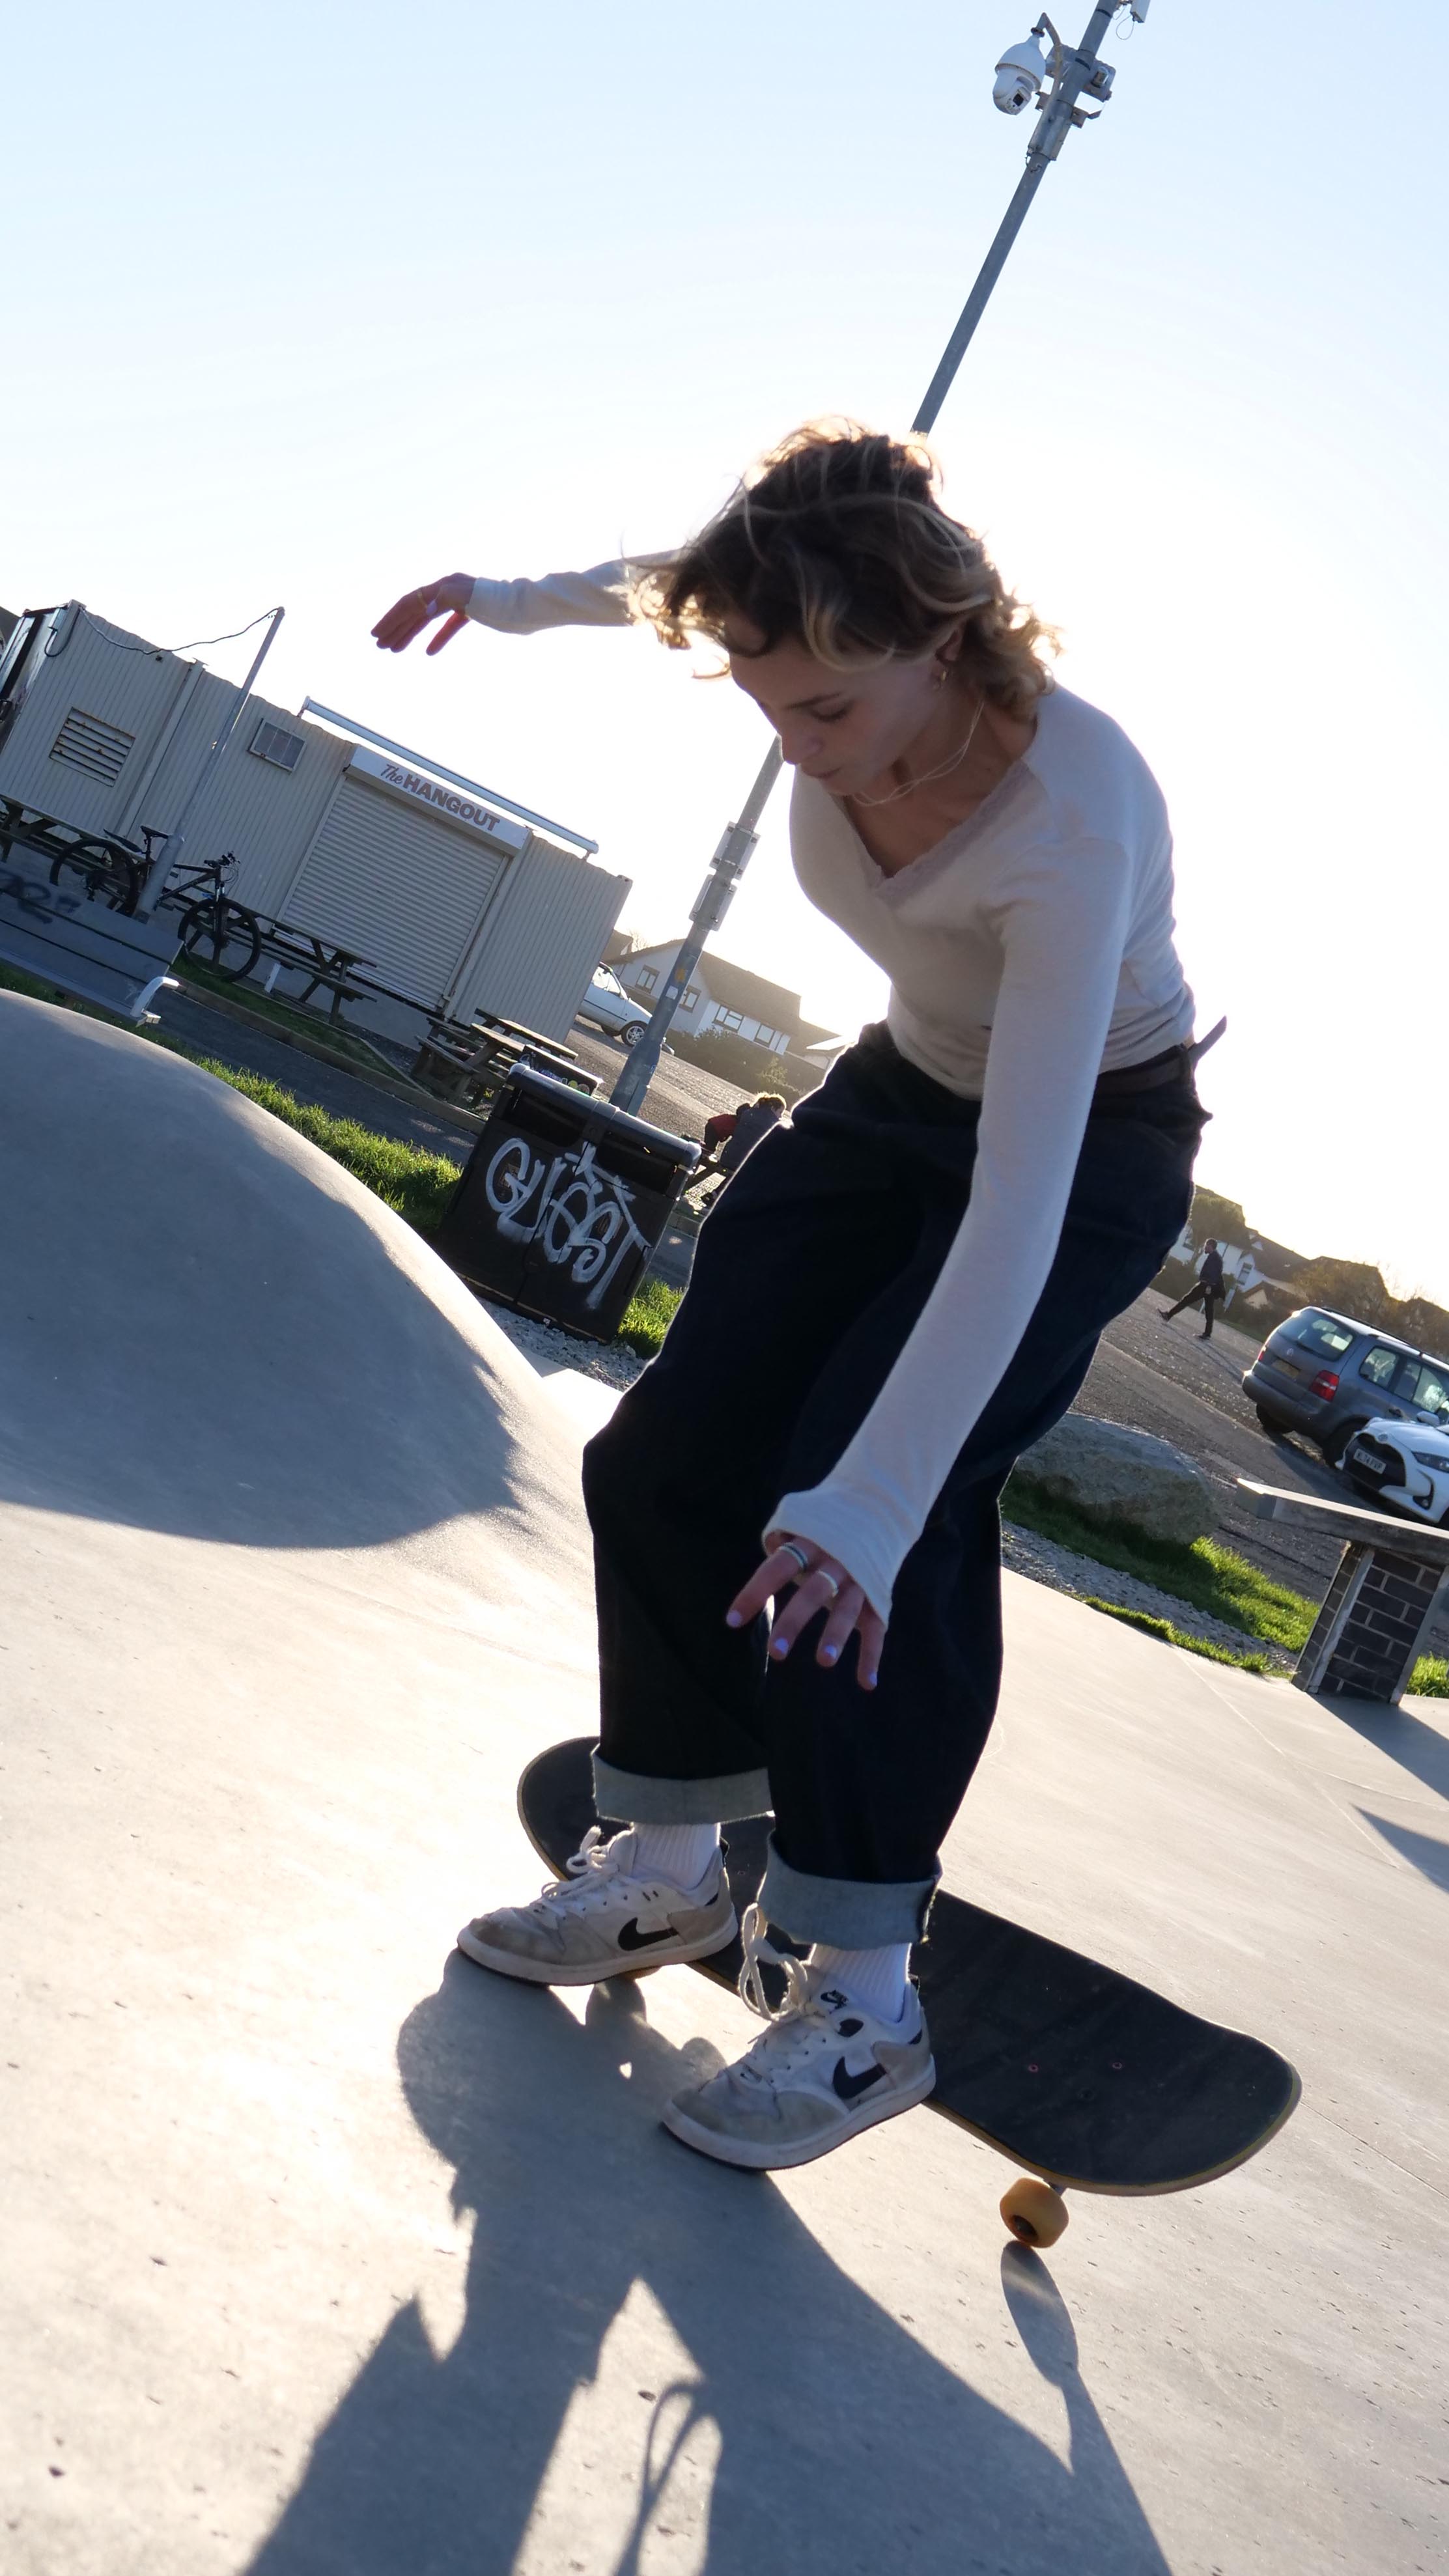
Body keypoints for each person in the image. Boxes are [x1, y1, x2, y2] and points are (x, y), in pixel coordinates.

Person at [372, 421, 1212, 2174]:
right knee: (660, 1458)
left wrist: (873, 1504)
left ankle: (862, 2000)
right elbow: (653, 588)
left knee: (852, 1527)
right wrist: (499, 599)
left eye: (823, 709)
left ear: (941, 639)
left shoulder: (1075, 816)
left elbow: (1018, 1201)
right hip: (893, 1091)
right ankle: (666, 1862)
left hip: (1081, 1144)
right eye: (764, 704)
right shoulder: (798, 647)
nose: (796, 745)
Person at [1161, 1237, 1226, 1339]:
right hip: (1207, 1286)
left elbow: (1214, 1274)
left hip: (1206, 1286)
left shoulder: (1215, 1258)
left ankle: (1169, 1315)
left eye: (1206, 1245)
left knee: (1190, 1302)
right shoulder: (1215, 1257)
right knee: (1207, 1309)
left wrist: (1209, 1286)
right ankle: (1207, 1333)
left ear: (1210, 1246)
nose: (1204, 1247)